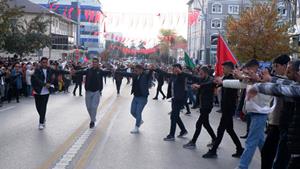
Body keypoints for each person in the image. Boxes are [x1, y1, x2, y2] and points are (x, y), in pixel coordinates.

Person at [220, 59, 274, 169]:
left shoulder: (264, 79)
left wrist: (253, 81)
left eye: (249, 69)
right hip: (252, 113)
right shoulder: (250, 79)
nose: (247, 71)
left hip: (260, 113)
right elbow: (240, 84)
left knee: (251, 141)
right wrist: (223, 82)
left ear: (255, 68)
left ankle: (242, 166)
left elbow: (267, 94)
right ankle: (271, 162)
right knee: (260, 141)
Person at [248, 60, 300, 169]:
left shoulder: (296, 89)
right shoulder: (294, 84)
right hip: (286, 130)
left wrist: (258, 87)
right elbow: (286, 83)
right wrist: (269, 79)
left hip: (289, 133)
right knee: (272, 155)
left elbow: (282, 89)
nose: (287, 71)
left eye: (290, 70)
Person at [202, 61, 244, 158]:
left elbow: (228, 85)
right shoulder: (225, 78)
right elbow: (219, 84)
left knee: (220, 130)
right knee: (229, 130)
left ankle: (213, 150)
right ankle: (240, 149)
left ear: (230, 69)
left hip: (229, 108)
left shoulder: (233, 79)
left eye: (224, 68)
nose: (222, 70)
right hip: (225, 107)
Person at [260, 54, 290, 169]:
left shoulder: (288, 82)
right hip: (275, 123)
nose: (274, 69)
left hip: (283, 124)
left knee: (279, 158)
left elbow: (277, 84)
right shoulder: (278, 79)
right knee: (268, 153)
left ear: (284, 66)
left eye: (276, 66)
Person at [183, 66, 216, 147]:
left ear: (205, 73)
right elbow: (195, 79)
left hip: (207, 105)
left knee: (199, 124)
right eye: (199, 73)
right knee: (206, 124)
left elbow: (208, 85)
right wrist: (183, 73)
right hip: (202, 105)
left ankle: (193, 142)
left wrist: (199, 86)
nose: (199, 75)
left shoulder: (211, 80)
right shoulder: (202, 79)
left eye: (201, 73)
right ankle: (215, 139)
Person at [73, 58, 111, 129]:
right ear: (91, 63)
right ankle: (93, 118)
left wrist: (112, 70)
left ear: (98, 63)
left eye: (96, 62)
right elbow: (81, 72)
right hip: (88, 91)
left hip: (96, 91)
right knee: (88, 107)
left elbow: (108, 72)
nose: (94, 63)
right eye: (93, 62)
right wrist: (75, 71)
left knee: (94, 107)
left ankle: (92, 121)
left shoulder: (100, 71)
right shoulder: (88, 70)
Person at [116, 64, 154, 134]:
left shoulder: (145, 75)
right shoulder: (135, 75)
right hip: (135, 97)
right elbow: (127, 74)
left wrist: (151, 69)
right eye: (135, 70)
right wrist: (118, 72)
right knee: (132, 112)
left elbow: (150, 73)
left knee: (138, 112)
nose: (135, 71)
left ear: (141, 70)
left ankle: (136, 127)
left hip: (143, 98)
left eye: (136, 70)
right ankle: (139, 120)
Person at [156, 64, 189, 141]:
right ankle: (183, 130)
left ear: (179, 69)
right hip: (174, 99)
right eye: (173, 68)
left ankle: (171, 135)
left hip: (179, 99)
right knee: (175, 116)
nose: (173, 70)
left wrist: (180, 72)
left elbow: (185, 88)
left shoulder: (182, 76)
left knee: (173, 117)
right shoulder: (173, 76)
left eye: (175, 69)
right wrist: (156, 69)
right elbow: (164, 73)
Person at [31, 57, 64, 130]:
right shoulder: (37, 70)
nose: (45, 64)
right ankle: (43, 117)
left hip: (46, 91)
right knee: (38, 107)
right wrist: (44, 84)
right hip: (38, 91)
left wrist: (70, 72)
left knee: (43, 107)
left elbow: (59, 71)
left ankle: (41, 122)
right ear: (40, 63)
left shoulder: (50, 69)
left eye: (46, 62)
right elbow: (36, 79)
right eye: (43, 62)